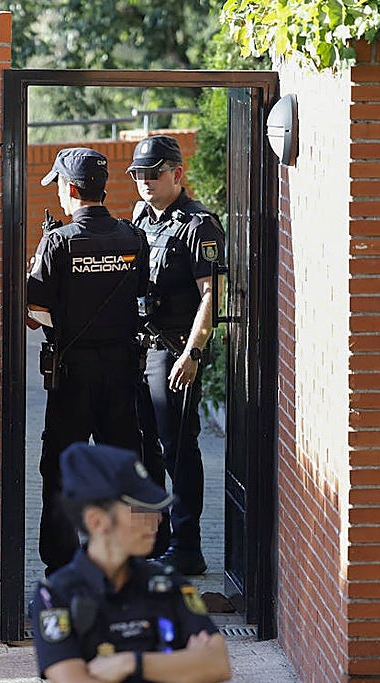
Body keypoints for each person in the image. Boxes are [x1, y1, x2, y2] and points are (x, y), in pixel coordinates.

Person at [29, 442, 232, 683]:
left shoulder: (167, 586)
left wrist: (131, 665)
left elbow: (216, 665)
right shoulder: (58, 596)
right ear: (97, 520)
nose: (155, 521)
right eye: (139, 511)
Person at [27, 147, 150, 576]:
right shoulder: (133, 237)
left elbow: (34, 312)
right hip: (121, 371)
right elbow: (141, 295)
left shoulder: (57, 241)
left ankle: (63, 564)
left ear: (72, 188)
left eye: (60, 185)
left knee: (61, 469)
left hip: (72, 373)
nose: (59, 194)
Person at [128, 135, 226, 575]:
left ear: (177, 175)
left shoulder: (199, 224)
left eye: (154, 173)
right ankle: (156, 538)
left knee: (178, 451)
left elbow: (211, 295)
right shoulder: (140, 217)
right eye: (139, 175)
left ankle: (188, 546)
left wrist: (193, 352)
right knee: (146, 451)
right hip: (140, 350)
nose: (146, 181)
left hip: (174, 353)